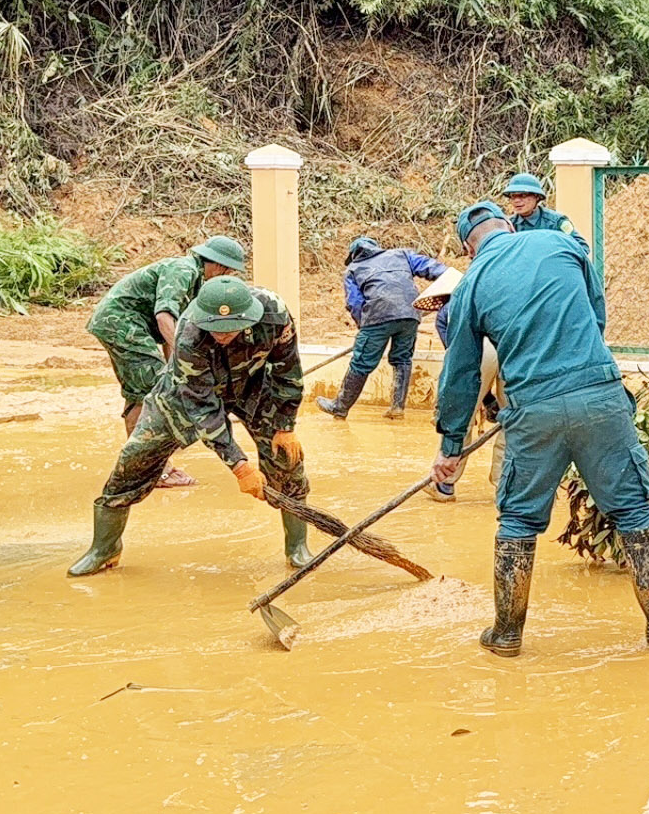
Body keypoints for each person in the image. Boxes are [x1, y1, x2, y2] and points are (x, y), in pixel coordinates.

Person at [433, 201, 649, 656]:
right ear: (510, 225)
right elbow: (596, 315)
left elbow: (461, 373)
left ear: (467, 249)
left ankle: (507, 634)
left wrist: (451, 445)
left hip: (533, 412)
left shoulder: (471, 284)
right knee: (632, 510)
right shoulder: (561, 242)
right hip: (600, 398)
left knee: (516, 520)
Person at [67, 277, 313, 576]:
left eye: (230, 330)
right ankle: (104, 548)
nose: (222, 336)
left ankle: (297, 548)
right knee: (134, 459)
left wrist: (285, 425)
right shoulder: (190, 333)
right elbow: (202, 407)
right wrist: (239, 465)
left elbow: (288, 371)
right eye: (216, 330)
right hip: (185, 395)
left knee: (285, 458)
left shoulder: (274, 314)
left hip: (253, 387)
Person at [85, 236, 248, 487]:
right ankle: (155, 469)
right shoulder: (183, 270)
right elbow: (164, 318)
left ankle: (140, 466)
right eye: (227, 272)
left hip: (122, 324)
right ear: (219, 266)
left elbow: (172, 331)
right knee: (159, 392)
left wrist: (177, 366)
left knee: (141, 392)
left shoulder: (194, 280)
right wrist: (184, 360)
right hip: (123, 324)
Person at [316, 236, 448, 421]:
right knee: (402, 358)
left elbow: (354, 303)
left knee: (362, 362)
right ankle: (397, 407)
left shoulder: (353, 269)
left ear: (354, 255)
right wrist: (454, 280)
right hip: (411, 313)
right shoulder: (400, 254)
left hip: (378, 316)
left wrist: (365, 327)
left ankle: (340, 406)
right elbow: (431, 267)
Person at [423, 269, 504, 503]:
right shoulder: (492, 295)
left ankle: (444, 485)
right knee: (513, 421)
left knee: (460, 418)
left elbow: (459, 363)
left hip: (479, 351)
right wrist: (491, 401)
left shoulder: (447, 311)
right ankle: (505, 487)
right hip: (510, 347)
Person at [502, 173, 588, 251]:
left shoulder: (556, 222)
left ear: (537, 197)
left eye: (523, 195)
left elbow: (581, 247)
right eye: (513, 196)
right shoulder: (509, 225)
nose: (516, 200)